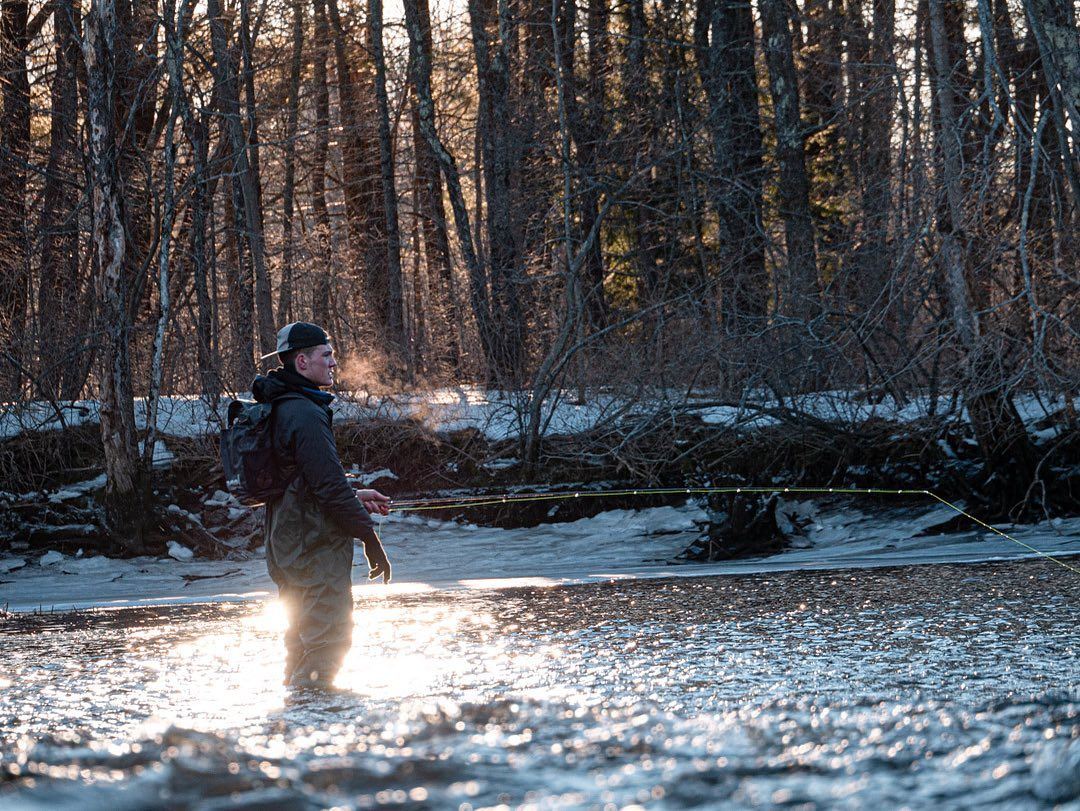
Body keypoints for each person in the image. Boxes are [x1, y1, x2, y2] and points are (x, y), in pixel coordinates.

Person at [252, 321, 392, 689]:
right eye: (326, 355)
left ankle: (295, 721)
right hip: (312, 547)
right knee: (329, 642)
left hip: (286, 544)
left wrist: (355, 494)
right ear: (301, 362)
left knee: (300, 644)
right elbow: (327, 488)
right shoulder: (305, 413)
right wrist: (370, 539)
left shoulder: (283, 405)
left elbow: (305, 480)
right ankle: (316, 730)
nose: (334, 363)